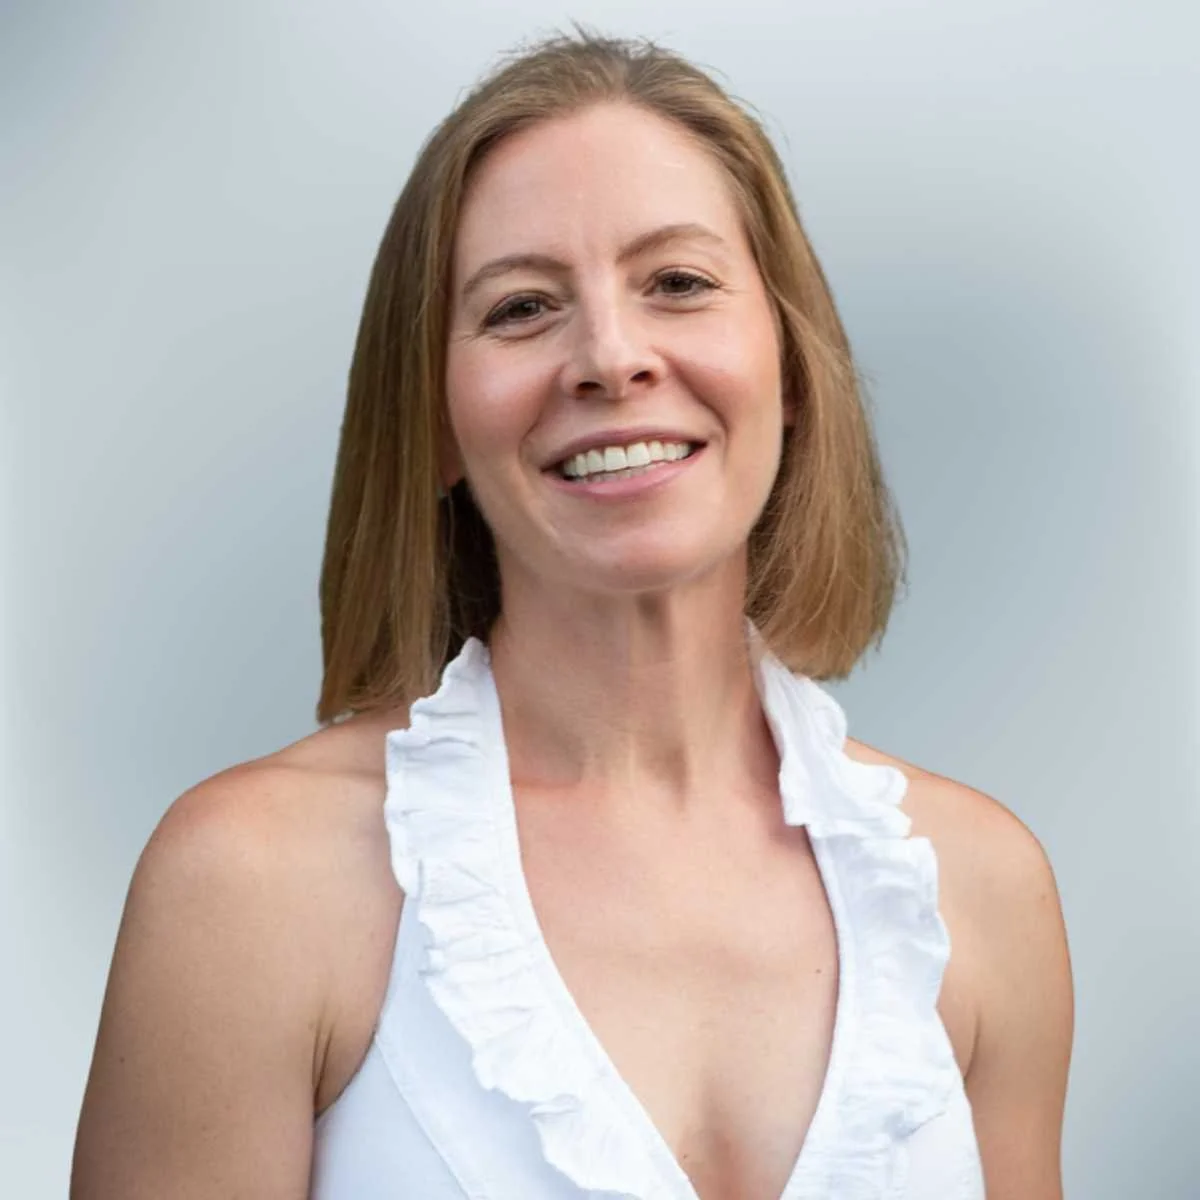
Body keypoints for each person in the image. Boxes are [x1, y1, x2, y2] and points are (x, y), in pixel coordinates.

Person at [71, 28, 1074, 1200]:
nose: (609, 356)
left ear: (792, 367)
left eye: (680, 285)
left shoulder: (976, 891)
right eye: (523, 307)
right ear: (435, 419)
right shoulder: (250, 889)